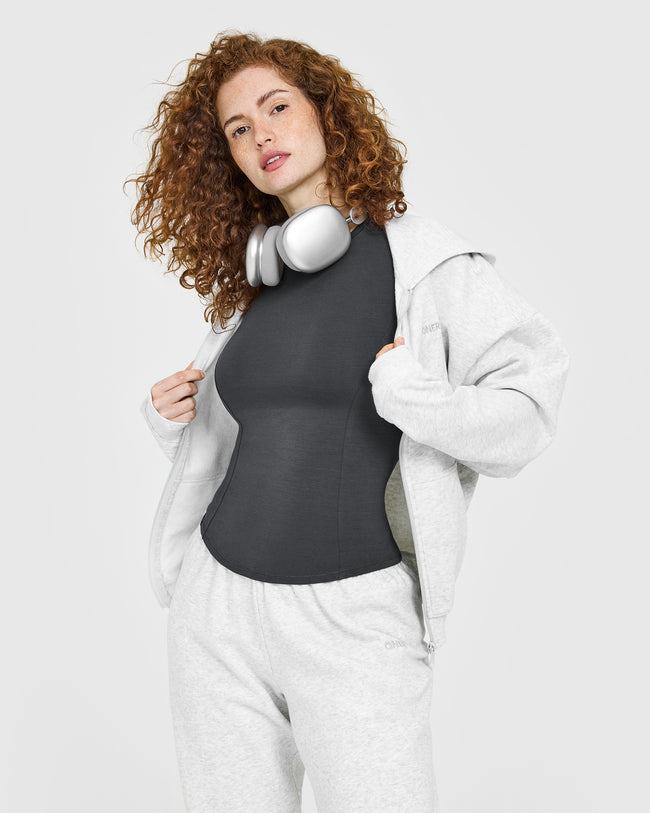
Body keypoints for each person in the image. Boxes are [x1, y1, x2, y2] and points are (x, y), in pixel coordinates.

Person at [125, 30, 570, 813]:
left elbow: (529, 411)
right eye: (238, 127)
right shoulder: (256, 287)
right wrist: (177, 422)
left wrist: (414, 395)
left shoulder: (422, 262)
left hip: (354, 620)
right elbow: (255, 448)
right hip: (216, 614)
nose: (261, 134)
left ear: (326, 111)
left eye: (277, 107)